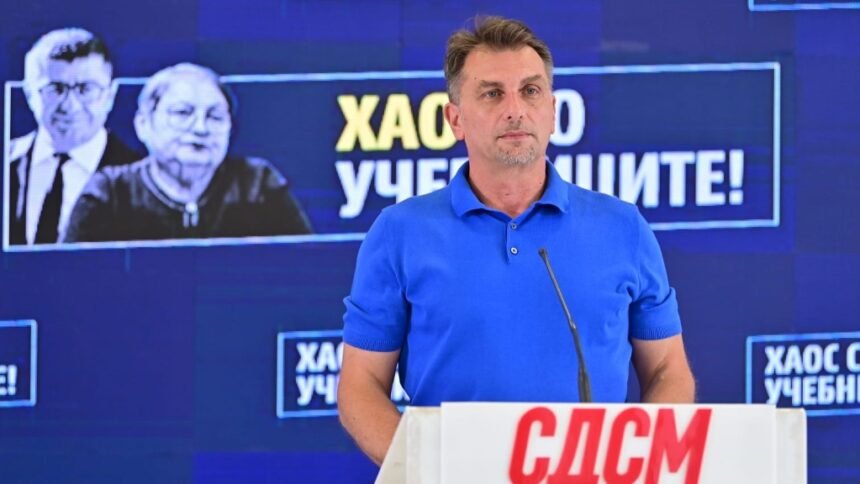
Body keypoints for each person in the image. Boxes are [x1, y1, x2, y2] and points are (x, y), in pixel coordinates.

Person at [338, 16, 695, 465]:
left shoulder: (624, 228)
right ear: (455, 119)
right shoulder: (399, 233)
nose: (515, 109)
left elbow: (667, 369)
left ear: (552, 111)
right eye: (492, 93)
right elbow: (360, 386)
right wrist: (424, 471)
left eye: (530, 91)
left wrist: (638, 463)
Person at [64, 63, 312, 242]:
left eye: (215, 116)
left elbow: (307, 271)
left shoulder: (258, 185)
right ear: (143, 124)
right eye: (183, 113)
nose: (200, 129)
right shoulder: (109, 194)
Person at [7, 28, 139, 245]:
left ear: (110, 96)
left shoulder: (140, 178)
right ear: (29, 94)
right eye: (55, 89)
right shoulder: (6, 162)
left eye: (85, 89)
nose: (70, 106)